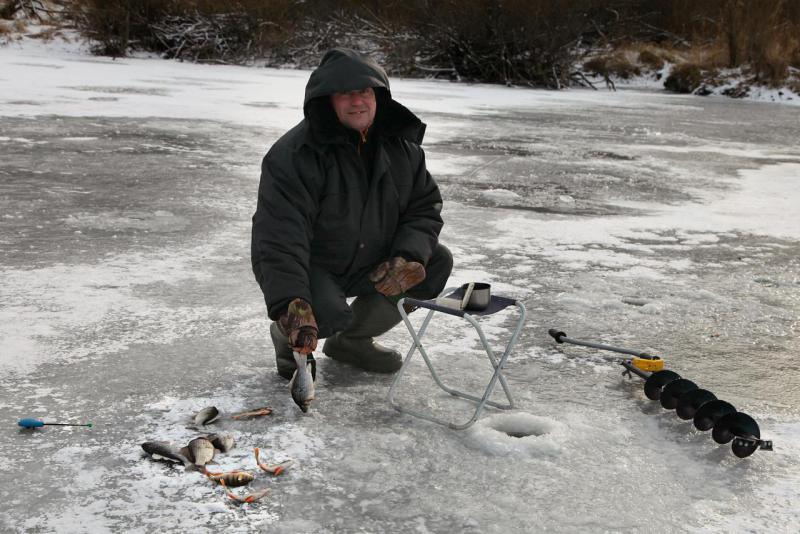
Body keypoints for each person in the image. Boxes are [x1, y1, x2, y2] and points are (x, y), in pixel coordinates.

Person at [251, 47, 453, 380]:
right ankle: (286, 337)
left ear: (378, 95)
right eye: (345, 94)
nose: (357, 101)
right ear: (326, 100)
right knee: (324, 315)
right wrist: (293, 303)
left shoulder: (404, 149)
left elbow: (424, 208)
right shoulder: (293, 155)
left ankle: (352, 342)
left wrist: (407, 257)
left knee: (434, 263)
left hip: (367, 258)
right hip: (312, 263)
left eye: (364, 91)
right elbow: (280, 236)